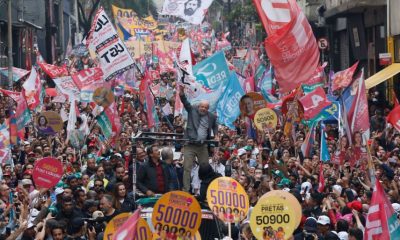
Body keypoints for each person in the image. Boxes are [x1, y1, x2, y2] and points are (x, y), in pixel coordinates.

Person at [179, 85, 218, 192]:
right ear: (198, 106)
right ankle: (186, 190)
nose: (203, 109)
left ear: (208, 109)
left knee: (206, 168)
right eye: (202, 107)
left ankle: (206, 191)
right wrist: (181, 92)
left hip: (202, 146)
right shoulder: (192, 111)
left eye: (205, 107)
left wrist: (216, 134)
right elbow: (184, 101)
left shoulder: (211, 116)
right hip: (190, 145)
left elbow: (215, 125)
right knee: (187, 168)